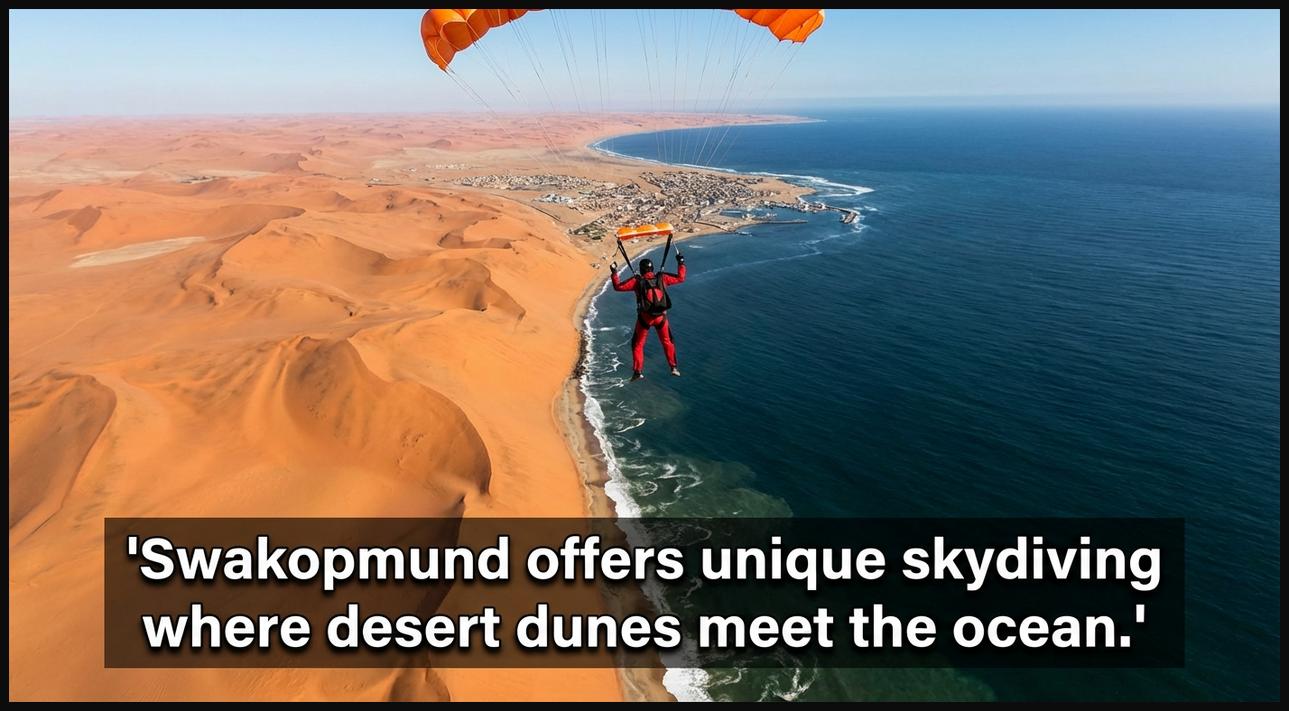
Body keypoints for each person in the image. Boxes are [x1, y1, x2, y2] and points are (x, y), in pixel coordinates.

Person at [610, 252, 686, 381]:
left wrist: (614, 272)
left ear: (641, 269)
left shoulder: (637, 281)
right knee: (667, 342)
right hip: (661, 317)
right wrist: (681, 262)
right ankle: (673, 367)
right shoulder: (662, 278)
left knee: (638, 344)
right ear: (652, 269)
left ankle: (638, 371)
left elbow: (618, 287)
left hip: (645, 318)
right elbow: (680, 278)